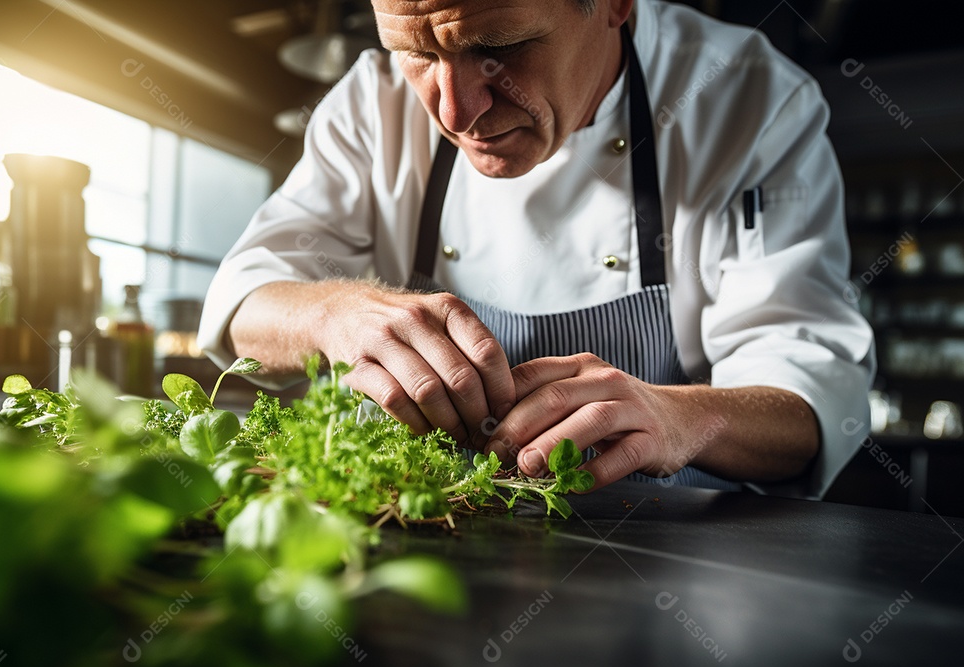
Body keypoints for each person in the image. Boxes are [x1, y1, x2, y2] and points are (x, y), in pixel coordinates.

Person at [198, 0, 875, 499]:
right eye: (420, 55)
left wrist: (679, 417)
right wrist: (333, 316)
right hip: (432, 531)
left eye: (501, 48)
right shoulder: (370, 105)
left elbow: (814, 392)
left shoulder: (750, 100)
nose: (456, 113)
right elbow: (244, 300)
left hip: (674, 565)